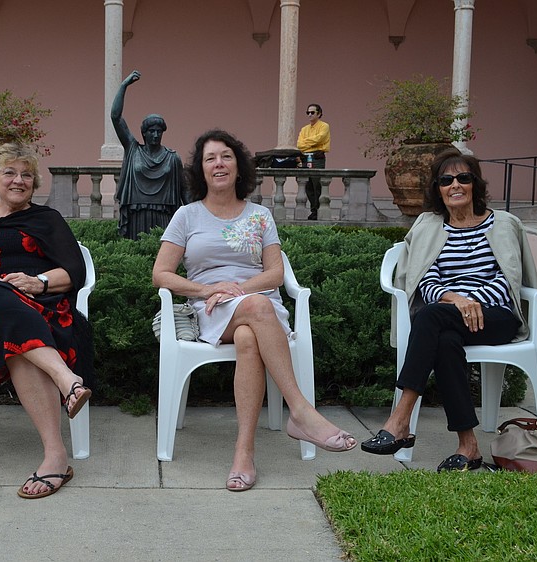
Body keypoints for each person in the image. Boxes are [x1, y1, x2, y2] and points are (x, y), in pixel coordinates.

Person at [153, 129, 357, 492]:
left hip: (258, 305)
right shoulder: (186, 216)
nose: (219, 164)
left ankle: (243, 453)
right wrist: (208, 288)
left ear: (238, 165)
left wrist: (241, 288)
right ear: (200, 170)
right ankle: (301, 411)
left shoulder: (260, 215)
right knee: (256, 310)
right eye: (210, 158)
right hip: (211, 307)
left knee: (249, 335)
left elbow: (275, 273)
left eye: (226, 156)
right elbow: (161, 274)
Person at [361, 148, 537, 472]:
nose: (455, 184)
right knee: (443, 339)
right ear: (438, 189)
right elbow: (423, 279)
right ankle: (468, 447)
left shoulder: (503, 224)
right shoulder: (429, 227)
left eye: (463, 177)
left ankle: (400, 420)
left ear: (475, 184)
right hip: (450, 313)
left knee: (430, 316)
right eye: (446, 180)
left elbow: (509, 278)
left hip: (496, 315)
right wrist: (457, 300)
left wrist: (475, 302)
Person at [0, 143, 93, 499]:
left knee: (17, 343)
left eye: (27, 174)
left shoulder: (47, 220)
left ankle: (55, 457)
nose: (19, 180)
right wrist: (0, 283)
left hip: (42, 310)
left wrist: (37, 282)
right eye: (10, 173)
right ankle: (68, 380)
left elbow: (74, 271)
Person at [111, 70, 186, 240]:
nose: (155, 135)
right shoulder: (133, 149)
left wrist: (197, 216)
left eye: (159, 131)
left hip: (164, 214)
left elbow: (185, 192)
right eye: (151, 131)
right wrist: (123, 86)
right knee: (136, 256)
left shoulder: (172, 158)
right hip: (137, 213)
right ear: (144, 133)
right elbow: (115, 117)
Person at [296, 104, 330, 220]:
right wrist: (311, 143)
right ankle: (313, 210)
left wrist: (307, 143)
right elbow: (299, 144)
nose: (310, 115)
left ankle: (319, 209)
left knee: (317, 184)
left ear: (319, 113)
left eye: (312, 112)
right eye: (308, 113)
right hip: (306, 158)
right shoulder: (304, 129)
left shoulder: (324, 126)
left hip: (317, 157)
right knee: (308, 186)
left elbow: (320, 138)